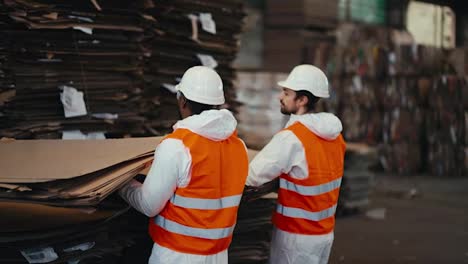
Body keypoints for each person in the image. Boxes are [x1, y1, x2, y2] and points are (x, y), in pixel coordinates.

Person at [119, 66, 249, 264]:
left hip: (176, 255)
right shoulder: (239, 146)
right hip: (219, 256)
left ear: (182, 100)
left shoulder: (177, 146)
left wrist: (122, 183)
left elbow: (148, 205)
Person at [246, 64, 346, 264]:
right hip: (323, 234)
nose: (280, 97)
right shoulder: (335, 136)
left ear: (302, 100)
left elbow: (253, 176)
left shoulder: (292, 138)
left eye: (286, 92)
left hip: (295, 238)